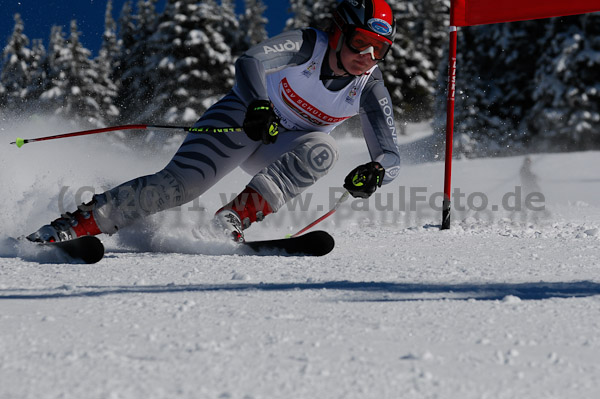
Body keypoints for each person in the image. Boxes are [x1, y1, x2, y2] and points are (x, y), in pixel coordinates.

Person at [27, 0, 401, 244]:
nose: (367, 56)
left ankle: (228, 223)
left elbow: (391, 155)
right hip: (242, 120)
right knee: (181, 187)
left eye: (379, 50)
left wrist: (377, 171)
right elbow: (250, 61)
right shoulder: (307, 45)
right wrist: (258, 104)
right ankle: (70, 227)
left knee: (324, 150)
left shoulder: (369, 87)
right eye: (359, 42)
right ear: (337, 32)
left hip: (281, 150)